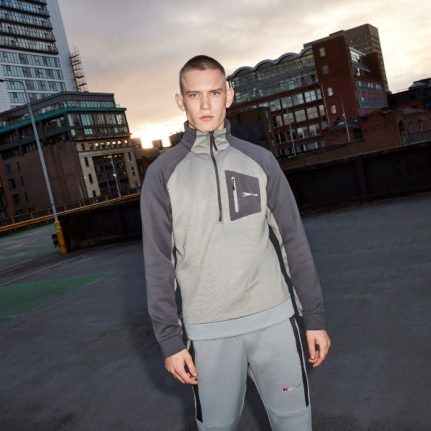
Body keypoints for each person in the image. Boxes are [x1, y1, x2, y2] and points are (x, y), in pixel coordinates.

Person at [140, 55, 331, 431]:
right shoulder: (162, 174)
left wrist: (314, 318)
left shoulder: (260, 160)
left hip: (274, 321)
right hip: (208, 333)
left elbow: (293, 241)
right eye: (194, 95)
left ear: (229, 95)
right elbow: (158, 263)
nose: (205, 104)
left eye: (214, 93)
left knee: (295, 423)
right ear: (180, 100)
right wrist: (170, 342)